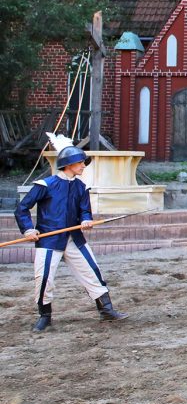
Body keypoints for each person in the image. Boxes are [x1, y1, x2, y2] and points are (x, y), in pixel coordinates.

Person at [16, 134, 127, 332]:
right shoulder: (46, 185)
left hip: (74, 239)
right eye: (80, 162)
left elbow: (85, 210)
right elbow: (22, 208)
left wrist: (86, 220)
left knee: (92, 272)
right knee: (44, 278)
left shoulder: (81, 187)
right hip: (49, 240)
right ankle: (45, 316)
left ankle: (106, 310)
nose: (84, 166)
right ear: (68, 164)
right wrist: (28, 229)